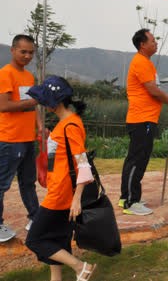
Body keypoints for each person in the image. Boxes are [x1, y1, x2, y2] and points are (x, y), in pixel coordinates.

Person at [24, 76, 97, 281]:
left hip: (61, 195)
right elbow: (60, 159)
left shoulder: (70, 126)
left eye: (45, 99)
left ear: (55, 101)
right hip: (59, 189)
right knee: (57, 240)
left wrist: (76, 199)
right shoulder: (65, 124)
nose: (43, 103)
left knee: (35, 239)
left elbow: (83, 164)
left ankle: (81, 267)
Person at [120, 29, 168, 216]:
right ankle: (130, 202)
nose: (156, 43)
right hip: (141, 119)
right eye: (153, 40)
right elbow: (152, 90)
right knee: (138, 159)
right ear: (142, 45)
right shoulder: (140, 62)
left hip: (145, 118)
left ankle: (128, 196)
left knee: (138, 158)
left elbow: (152, 90)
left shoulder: (146, 63)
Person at [0, 34, 41, 242]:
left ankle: (36, 217)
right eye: (23, 51)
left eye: (31, 52)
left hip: (27, 138)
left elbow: (33, 107)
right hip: (9, 139)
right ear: (13, 50)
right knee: (2, 183)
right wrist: (31, 103)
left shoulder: (29, 77)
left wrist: (40, 127)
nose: (27, 56)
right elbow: (4, 105)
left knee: (28, 182)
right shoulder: (5, 74)